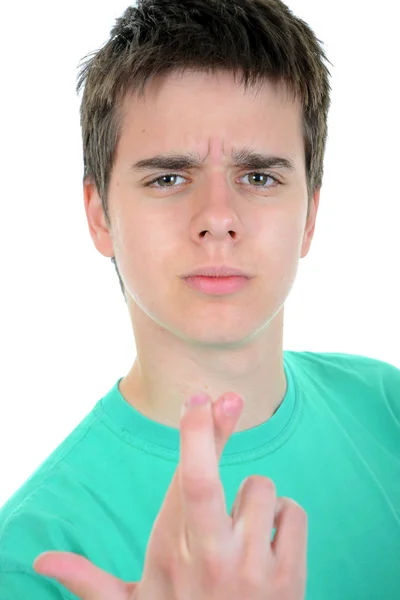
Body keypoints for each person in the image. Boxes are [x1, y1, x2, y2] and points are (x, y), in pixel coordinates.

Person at [1, 0, 399, 598]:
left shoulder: (387, 408)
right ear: (98, 214)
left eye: (259, 177)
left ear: (311, 214)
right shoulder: (35, 559)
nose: (217, 218)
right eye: (168, 178)